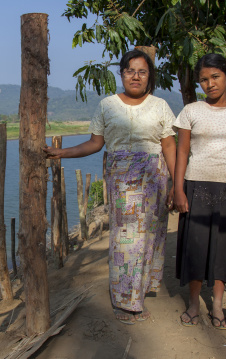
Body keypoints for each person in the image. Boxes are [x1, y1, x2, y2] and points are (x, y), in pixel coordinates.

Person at [44, 49, 176, 324]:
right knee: (125, 239)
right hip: (121, 179)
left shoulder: (161, 105)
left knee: (149, 236)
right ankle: (125, 301)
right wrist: (62, 153)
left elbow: (169, 146)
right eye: (130, 71)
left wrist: (177, 186)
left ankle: (139, 290)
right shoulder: (107, 105)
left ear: (149, 75)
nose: (136, 76)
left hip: (154, 178)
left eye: (142, 71)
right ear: (122, 73)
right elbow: (95, 143)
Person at [173, 53, 226, 329]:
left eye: (215, 77)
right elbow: (182, 151)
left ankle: (218, 306)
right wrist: (178, 189)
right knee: (196, 247)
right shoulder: (191, 111)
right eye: (203, 80)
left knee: (223, 248)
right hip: (195, 185)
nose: (209, 84)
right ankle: (195, 303)